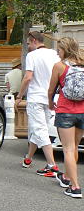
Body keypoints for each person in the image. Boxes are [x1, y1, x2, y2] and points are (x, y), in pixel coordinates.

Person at [16, 31, 60, 175]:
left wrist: (19, 96)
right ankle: (28, 158)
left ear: (34, 41)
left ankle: (52, 166)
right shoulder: (54, 54)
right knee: (40, 128)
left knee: (40, 130)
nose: (28, 46)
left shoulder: (32, 55)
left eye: (28, 43)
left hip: (35, 98)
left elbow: (28, 77)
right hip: (50, 97)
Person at [48, 37, 84, 198]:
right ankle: (68, 177)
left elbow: (51, 89)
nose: (57, 52)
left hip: (65, 110)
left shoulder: (59, 66)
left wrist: (50, 103)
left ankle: (75, 187)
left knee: (68, 149)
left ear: (65, 50)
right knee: (74, 147)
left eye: (59, 50)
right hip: (82, 111)